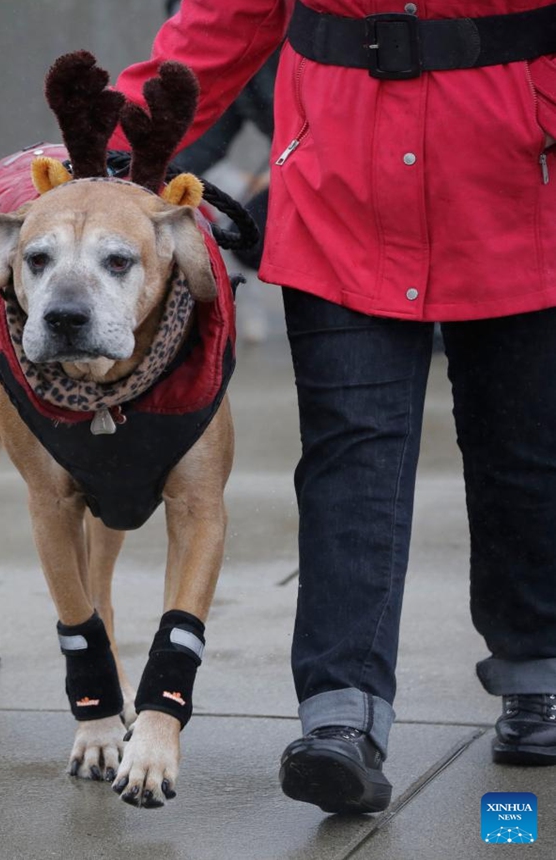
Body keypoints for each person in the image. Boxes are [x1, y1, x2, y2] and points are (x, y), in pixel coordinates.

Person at [109, 0, 556, 814]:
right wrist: (114, 146)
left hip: (518, 175)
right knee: (352, 453)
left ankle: (540, 676)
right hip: (343, 184)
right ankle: (340, 718)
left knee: (522, 447)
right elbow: (226, 17)